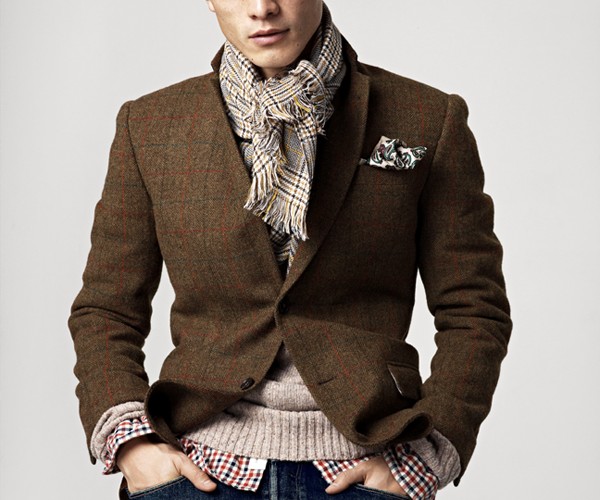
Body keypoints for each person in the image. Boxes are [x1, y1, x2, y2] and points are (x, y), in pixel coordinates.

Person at [69, 1, 512, 499]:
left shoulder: (427, 117)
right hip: (196, 468)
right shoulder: (151, 125)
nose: (262, 9)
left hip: (367, 466)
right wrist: (131, 444)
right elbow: (106, 308)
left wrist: (427, 455)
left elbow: (474, 308)